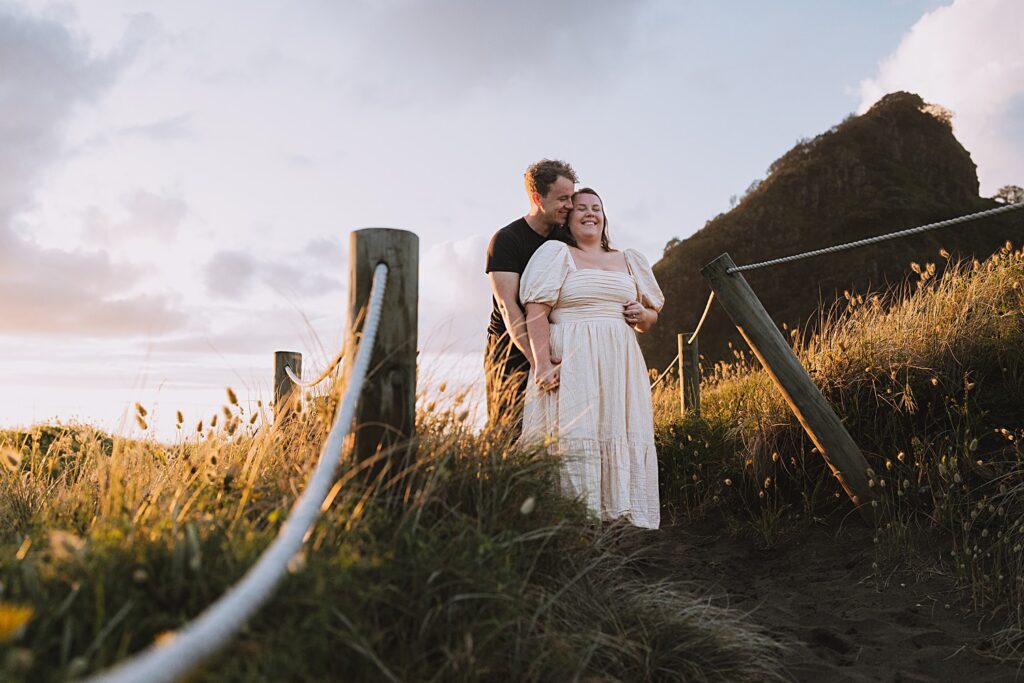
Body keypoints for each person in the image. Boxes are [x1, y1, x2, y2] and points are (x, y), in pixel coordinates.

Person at [519, 188, 664, 529]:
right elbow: (536, 310)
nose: (589, 213)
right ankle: (571, 523)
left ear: (604, 216)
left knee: (617, 429)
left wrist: (641, 313)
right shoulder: (556, 253)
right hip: (573, 359)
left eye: (596, 208)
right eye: (580, 208)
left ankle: (619, 522)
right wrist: (541, 362)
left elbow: (651, 317)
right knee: (574, 434)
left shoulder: (629, 259)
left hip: (619, 362)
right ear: (568, 218)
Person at [484, 159, 578, 434]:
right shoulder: (506, 240)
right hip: (510, 352)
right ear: (538, 198)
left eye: (571, 197)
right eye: (563, 198)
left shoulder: (565, 237)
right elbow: (508, 307)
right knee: (509, 433)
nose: (570, 206)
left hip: (555, 345)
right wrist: (540, 363)